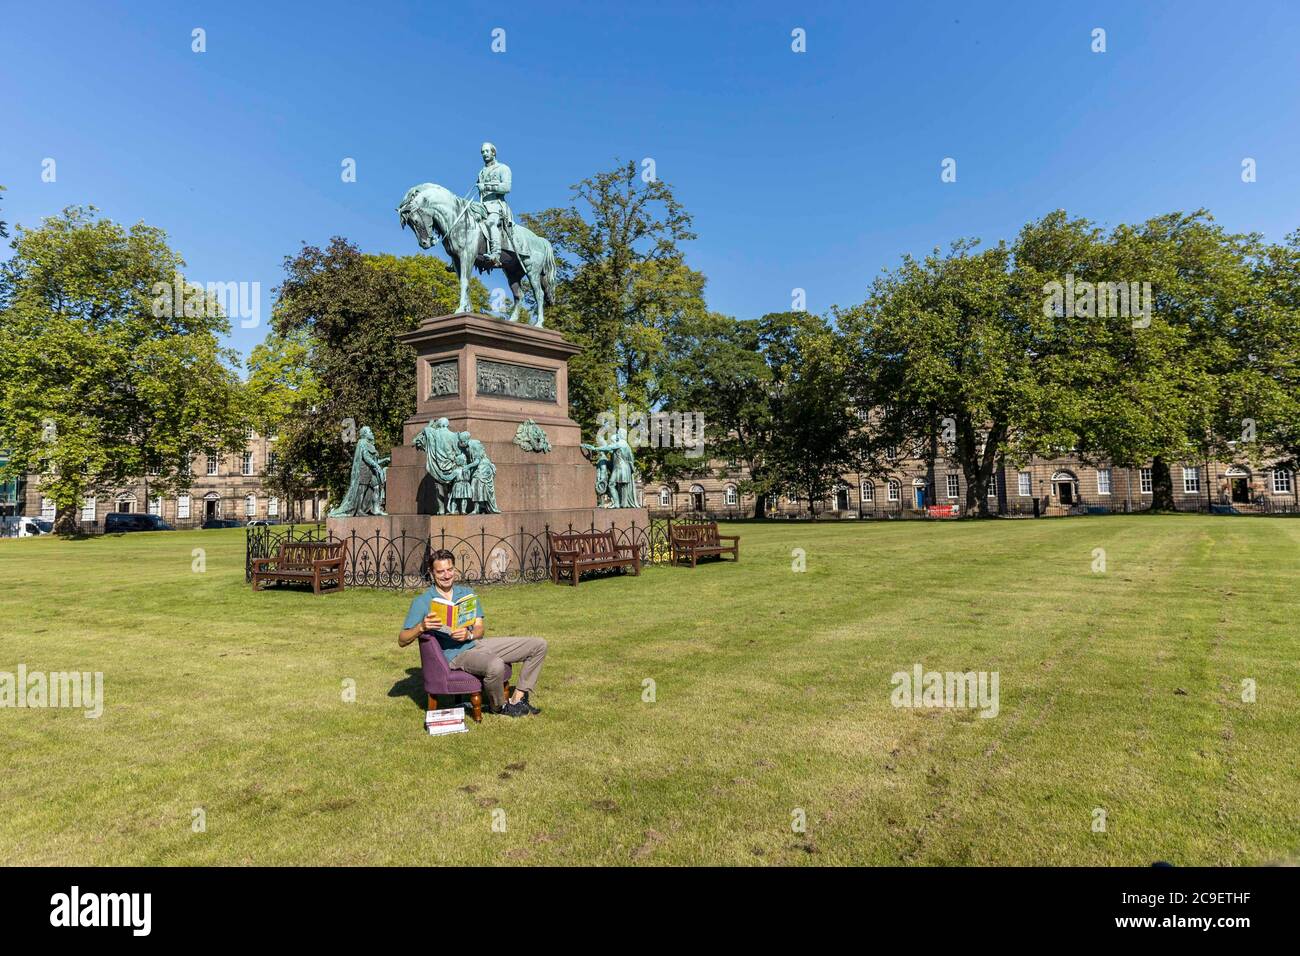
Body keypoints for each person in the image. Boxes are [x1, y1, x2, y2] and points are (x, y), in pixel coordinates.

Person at [397, 549, 546, 717]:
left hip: (475, 643)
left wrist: (469, 635)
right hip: (455, 654)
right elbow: (402, 640)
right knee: (495, 665)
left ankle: (517, 699)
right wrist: (422, 627)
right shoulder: (423, 602)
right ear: (431, 573)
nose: (446, 575)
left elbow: (480, 629)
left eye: (450, 569)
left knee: (538, 645)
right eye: (440, 571)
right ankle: (498, 707)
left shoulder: (467, 594)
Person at [476, 142, 512, 267]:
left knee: (491, 222)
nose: (484, 154)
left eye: (487, 151)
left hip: (497, 205)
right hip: (482, 206)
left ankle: (496, 254)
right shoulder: (481, 172)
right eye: (482, 152)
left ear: (493, 152)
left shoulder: (503, 168)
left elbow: (507, 187)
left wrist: (486, 186)